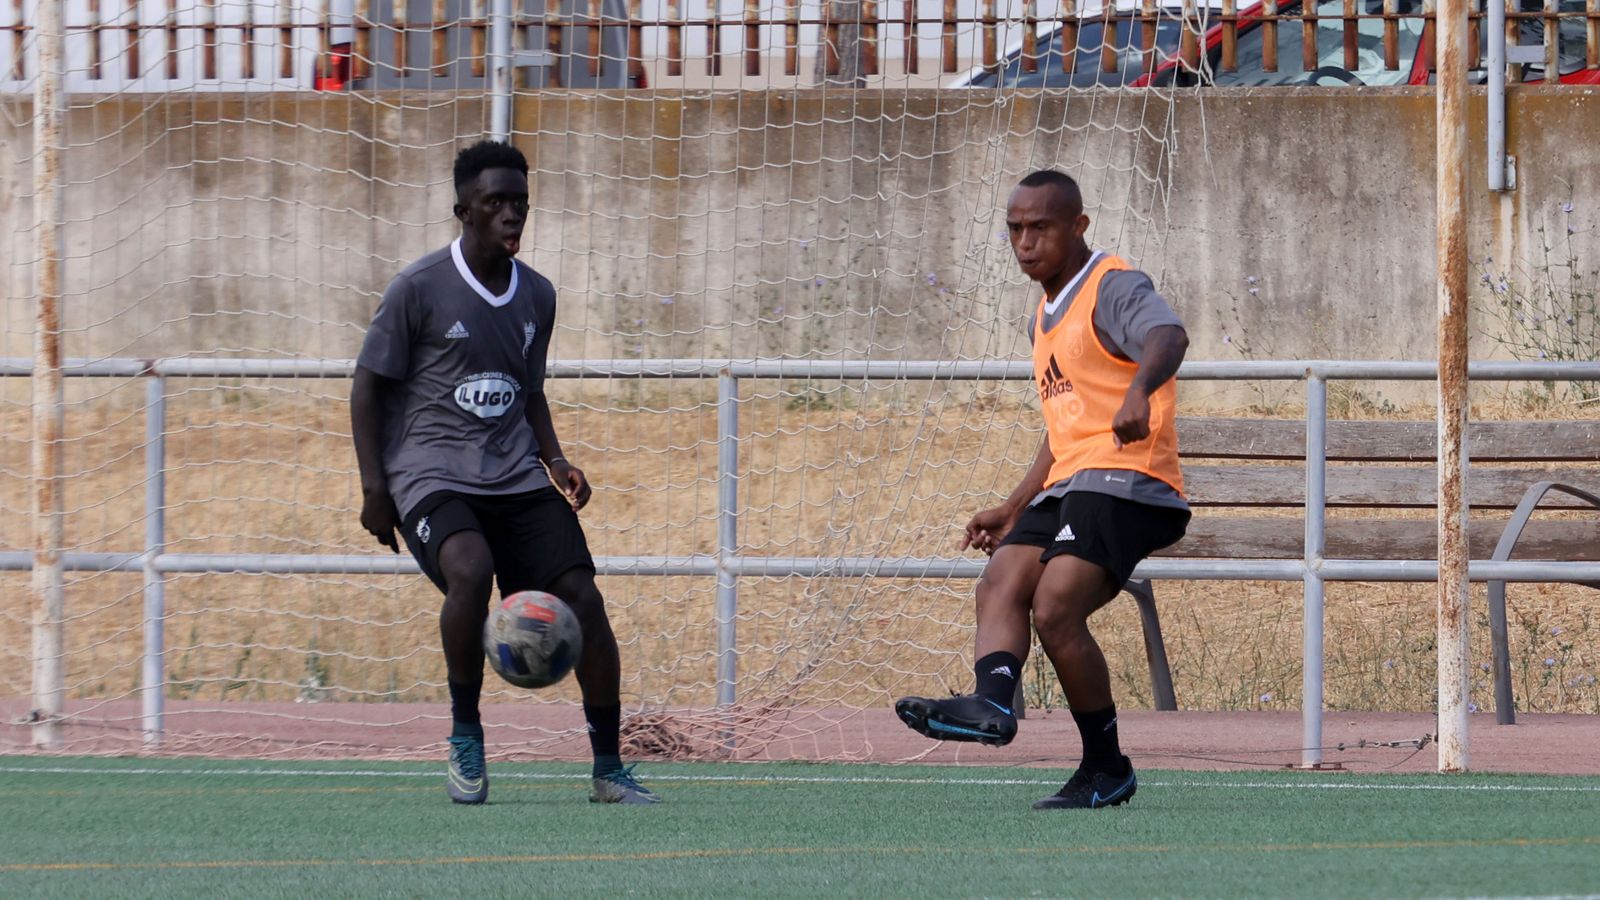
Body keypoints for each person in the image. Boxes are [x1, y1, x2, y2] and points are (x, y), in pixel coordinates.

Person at [350, 140, 658, 806]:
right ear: (463, 209)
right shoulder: (418, 288)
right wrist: (376, 487)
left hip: (516, 475)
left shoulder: (537, 295)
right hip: (430, 475)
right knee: (470, 569)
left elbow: (530, 390)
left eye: (520, 202)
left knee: (585, 600)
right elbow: (367, 387)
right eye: (496, 203)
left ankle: (609, 768)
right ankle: (466, 738)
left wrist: (555, 458)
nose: (511, 215)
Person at [895, 170, 1190, 810]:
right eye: (1015, 229)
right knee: (1002, 576)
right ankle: (992, 703)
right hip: (1069, 485)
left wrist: (1140, 389)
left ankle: (1105, 766)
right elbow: (1063, 430)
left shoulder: (1112, 285)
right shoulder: (1043, 319)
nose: (1026, 242)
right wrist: (1014, 503)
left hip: (1131, 483)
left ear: (1078, 227)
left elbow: (1168, 336)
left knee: (1055, 606)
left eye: (1041, 228)